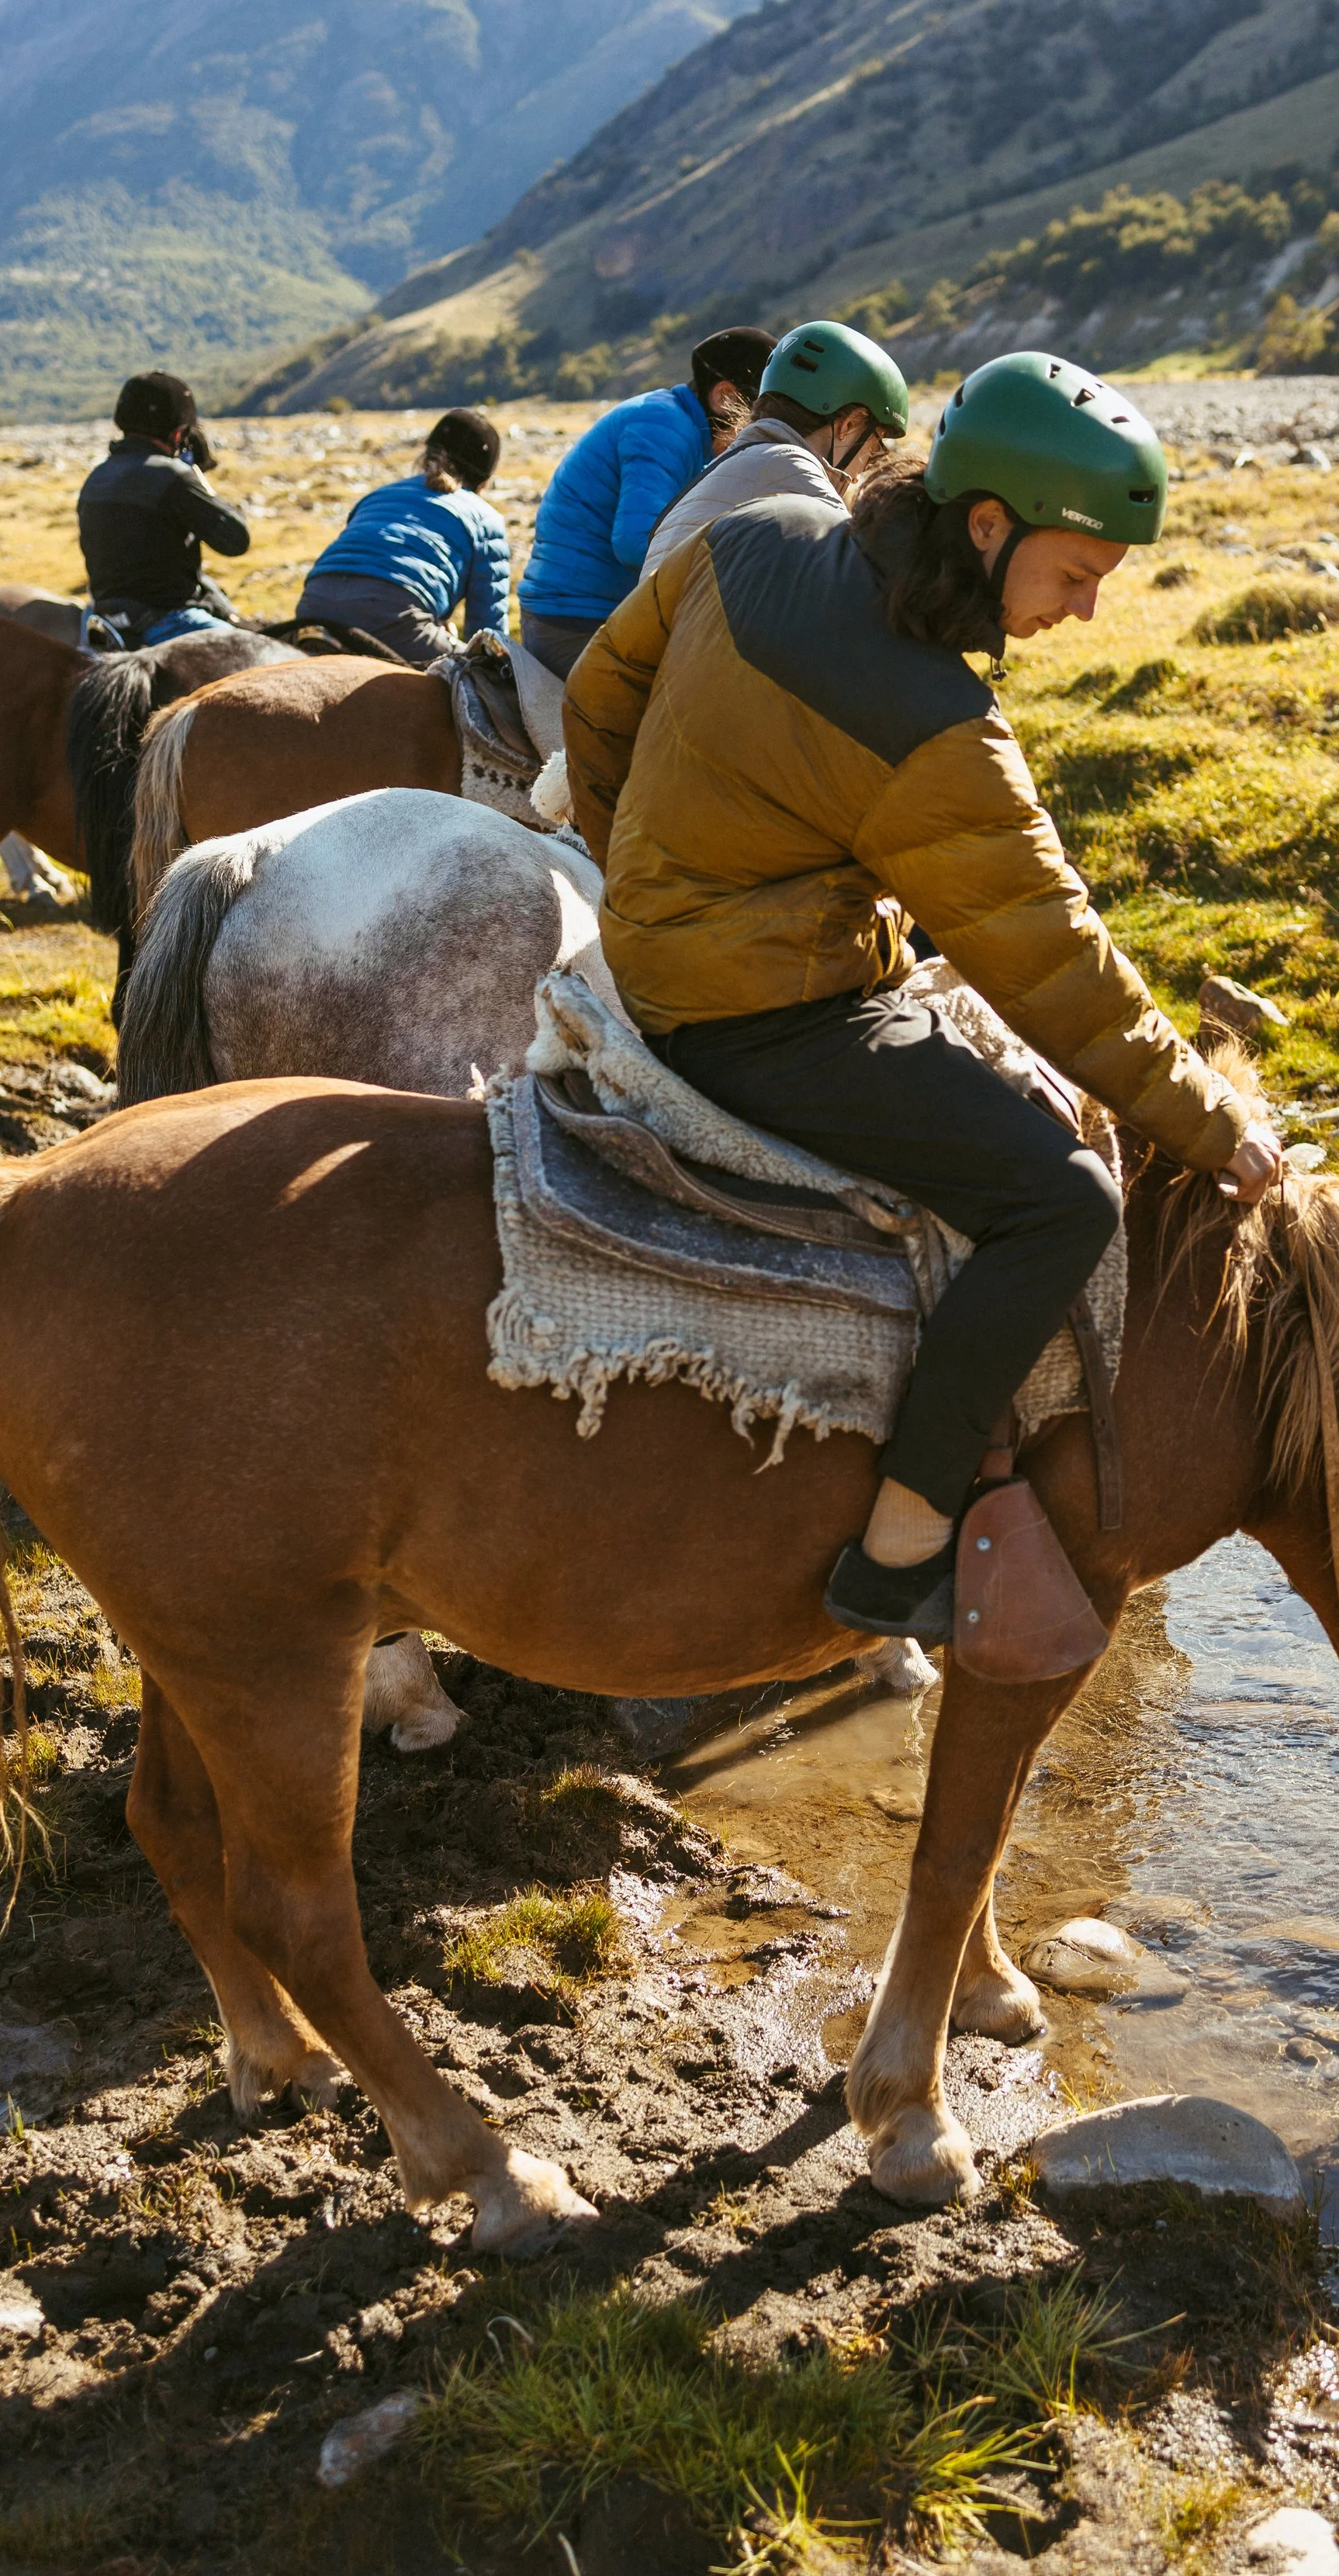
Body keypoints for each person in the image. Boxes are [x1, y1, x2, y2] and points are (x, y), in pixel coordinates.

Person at [563, 351, 1283, 1645]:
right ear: (989, 527)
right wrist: (1214, 1125)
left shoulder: (755, 535)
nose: (1086, 610)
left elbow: (600, 695)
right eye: (1078, 573)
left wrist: (640, 886)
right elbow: (1057, 964)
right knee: (1065, 1199)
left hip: (656, 957)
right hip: (767, 1015)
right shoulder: (937, 728)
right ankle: (902, 1544)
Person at [517, 328, 776, 684]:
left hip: (580, 612)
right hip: (576, 622)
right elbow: (637, 543)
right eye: (755, 421)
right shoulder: (664, 426)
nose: (754, 437)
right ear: (725, 398)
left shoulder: (676, 424)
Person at [640, 320, 908, 577]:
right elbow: (855, 586)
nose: (861, 472)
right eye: (874, 449)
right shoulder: (796, 476)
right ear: (849, 425)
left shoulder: (716, 471)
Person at [296, 410, 510, 667]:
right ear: (484, 479)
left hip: (314, 603)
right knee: (485, 674)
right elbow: (487, 635)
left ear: (426, 455)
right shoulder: (485, 518)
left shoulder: (378, 495)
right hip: (394, 616)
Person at [77, 373, 252, 645]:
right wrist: (196, 478)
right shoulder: (173, 477)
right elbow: (236, 540)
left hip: (105, 618)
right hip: (166, 618)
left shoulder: (97, 476)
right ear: (179, 433)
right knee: (258, 657)